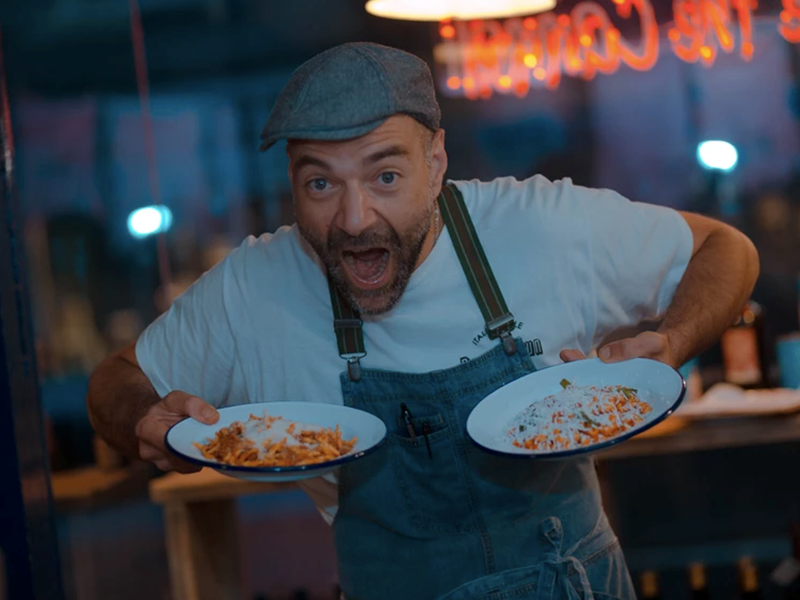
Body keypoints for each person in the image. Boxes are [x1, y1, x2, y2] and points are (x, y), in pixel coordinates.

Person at [87, 42, 759, 600]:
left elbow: (724, 249)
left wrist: (669, 345)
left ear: (436, 163)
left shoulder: (542, 227)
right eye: (320, 183)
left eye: (385, 176)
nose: (353, 220)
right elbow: (116, 380)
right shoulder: (254, 288)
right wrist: (147, 417)